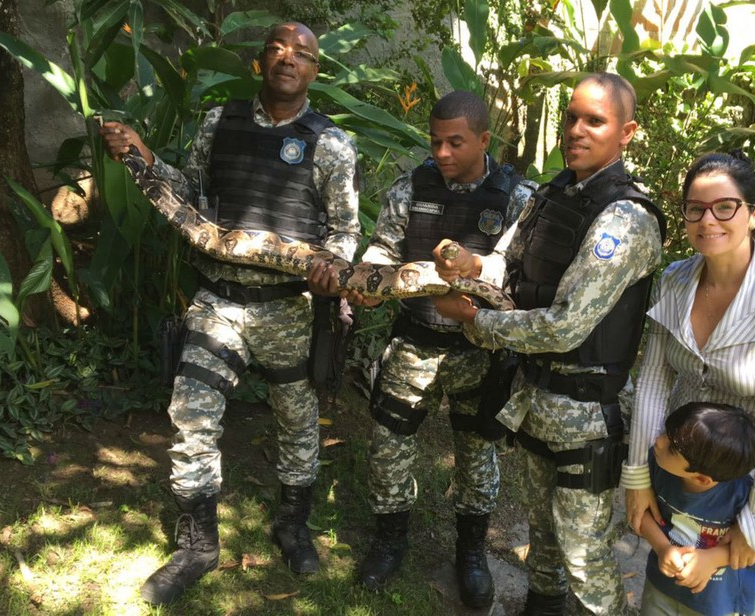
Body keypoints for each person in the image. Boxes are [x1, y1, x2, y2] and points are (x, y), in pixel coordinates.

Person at [100, 22, 360, 605]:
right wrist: (144, 157)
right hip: (218, 299)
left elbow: (345, 232)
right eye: (276, 49)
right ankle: (197, 545)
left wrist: (331, 268)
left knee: (297, 422)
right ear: (259, 62)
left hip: (287, 307)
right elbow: (190, 193)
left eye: (302, 55)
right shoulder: (220, 124)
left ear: (315, 71)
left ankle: (292, 526)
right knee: (191, 415)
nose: (287, 59)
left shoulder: (332, 145)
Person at [433, 73, 666, 615]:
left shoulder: (625, 219)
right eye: (571, 117)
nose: (576, 131)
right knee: (542, 536)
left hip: (585, 412)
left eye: (595, 121)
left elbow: (565, 325)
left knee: (585, 557)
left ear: (626, 132)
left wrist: (476, 323)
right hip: (535, 400)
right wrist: (471, 266)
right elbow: (507, 265)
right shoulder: (553, 192)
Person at [333, 90, 537, 608]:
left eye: (456, 142)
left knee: (476, 453)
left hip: (480, 350)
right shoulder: (411, 187)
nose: (442, 153)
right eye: (435, 141)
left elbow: (522, 275)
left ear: (484, 140)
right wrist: (369, 282)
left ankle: (471, 553)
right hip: (414, 343)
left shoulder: (517, 198)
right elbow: (385, 248)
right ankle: (389, 540)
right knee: (388, 445)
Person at [623, 152, 755, 616]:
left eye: (724, 207)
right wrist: (636, 474)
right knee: (671, 583)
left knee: (750, 600)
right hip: (679, 464)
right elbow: (654, 379)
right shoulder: (674, 281)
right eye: (695, 208)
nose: (707, 219)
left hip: (752, 479)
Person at [638, 402, 755, 616]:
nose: (658, 441)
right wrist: (662, 548)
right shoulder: (657, 464)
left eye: (672, 448)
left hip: (716, 604)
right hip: (661, 589)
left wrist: (713, 558)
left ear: (701, 478)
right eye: (665, 433)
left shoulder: (743, 494)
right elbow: (641, 513)